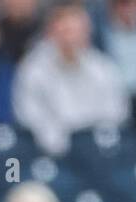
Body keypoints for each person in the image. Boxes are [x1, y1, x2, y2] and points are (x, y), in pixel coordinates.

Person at [13, 3, 129, 155]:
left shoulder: (103, 67)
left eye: (77, 31)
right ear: (51, 32)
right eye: (65, 31)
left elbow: (117, 113)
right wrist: (59, 142)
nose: (71, 38)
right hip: (48, 149)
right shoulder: (32, 69)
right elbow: (28, 115)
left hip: (95, 145)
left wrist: (95, 142)